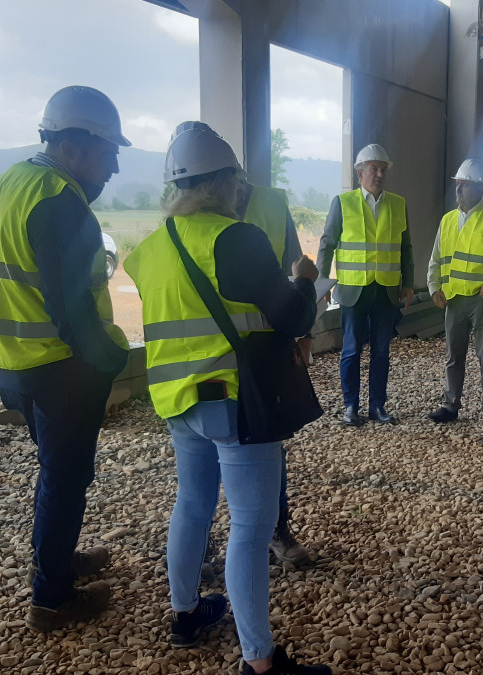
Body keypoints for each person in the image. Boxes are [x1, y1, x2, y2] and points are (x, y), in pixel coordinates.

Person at [124, 127, 330, 675]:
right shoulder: (234, 238)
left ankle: (186, 614)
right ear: (225, 183)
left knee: (191, 504)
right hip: (234, 401)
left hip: (177, 403)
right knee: (250, 525)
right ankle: (259, 663)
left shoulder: (150, 250)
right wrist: (306, 279)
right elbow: (293, 317)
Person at [0, 85, 130, 631]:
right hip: (61, 367)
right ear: (73, 146)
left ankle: (58, 561)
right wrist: (112, 359)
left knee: (54, 475)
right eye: (108, 153)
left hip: (11, 363)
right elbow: (75, 312)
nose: (112, 168)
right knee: (65, 479)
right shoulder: (61, 202)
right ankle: (53, 598)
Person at [169, 122, 314, 567]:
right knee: (204, 492)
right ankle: (211, 550)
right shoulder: (180, 223)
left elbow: (292, 270)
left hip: (260, 361)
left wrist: (300, 337)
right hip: (205, 369)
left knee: (261, 461)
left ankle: (277, 533)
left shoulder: (271, 203)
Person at [317, 143, 414, 426]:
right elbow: (327, 244)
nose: (380, 174)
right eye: (374, 169)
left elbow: (405, 248)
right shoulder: (343, 203)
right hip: (352, 290)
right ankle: (351, 406)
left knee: (382, 351)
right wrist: (322, 285)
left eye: (383, 169)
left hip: (386, 289)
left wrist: (408, 283)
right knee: (351, 350)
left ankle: (377, 406)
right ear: (360, 173)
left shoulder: (398, 204)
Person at [426, 159, 483, 429]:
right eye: (458, 183)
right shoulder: (448, 220)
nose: (459, 189)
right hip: (454, 299)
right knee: (454, 355)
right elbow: (435, 259)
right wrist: (434, 288)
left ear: (480, 188)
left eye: (466, 184)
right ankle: (450, 405)